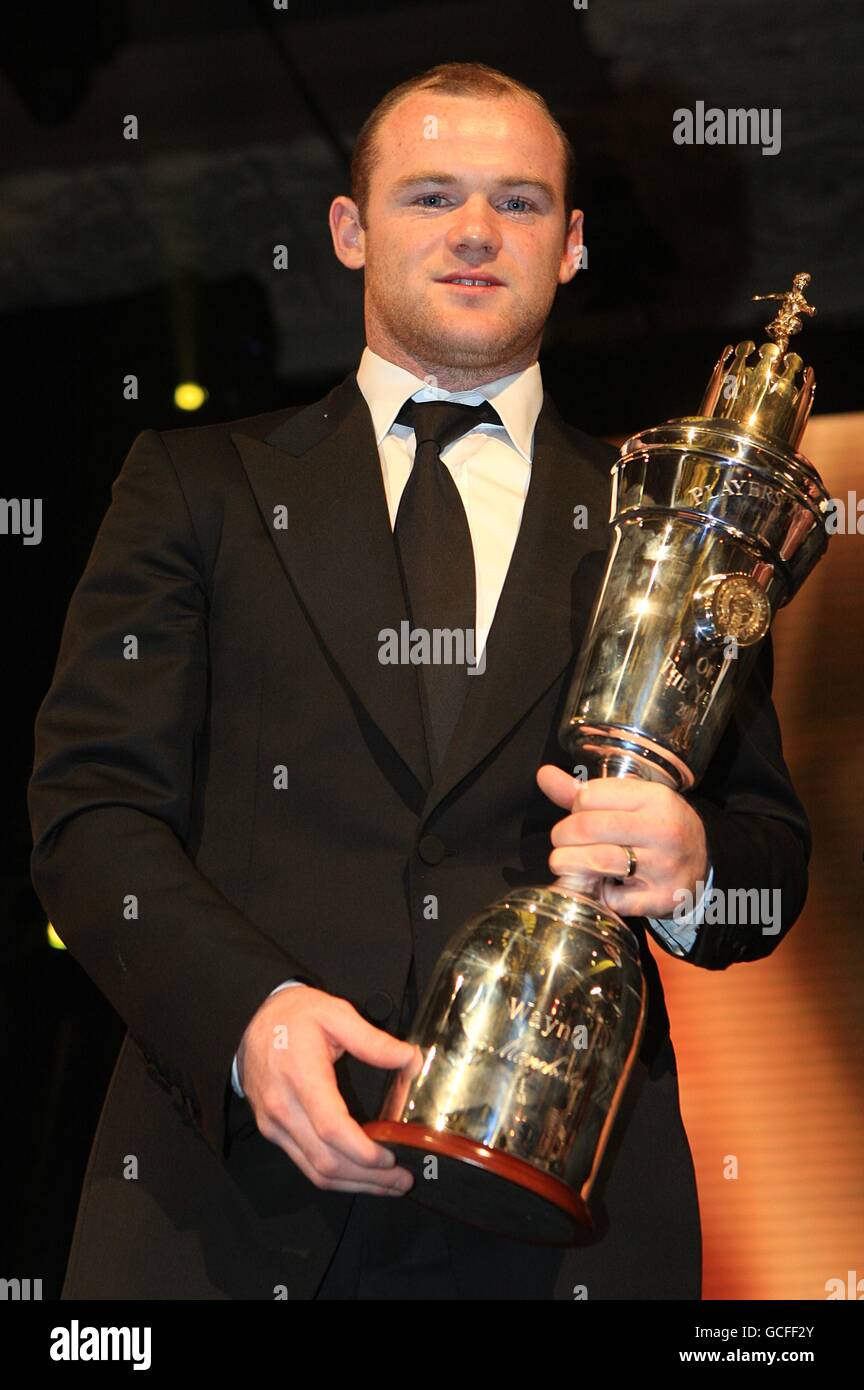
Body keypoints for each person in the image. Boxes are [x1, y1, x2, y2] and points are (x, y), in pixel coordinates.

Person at [29, 61, 809, 1300]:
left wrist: (699, 868)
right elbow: (88, 816)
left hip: (565, 1214)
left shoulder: (664, 522)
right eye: (431, 195)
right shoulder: (197, 488)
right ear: (350, 229)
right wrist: (244, 1017)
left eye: (520, 201)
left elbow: (774, 861)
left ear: (572, 246)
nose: (475, 233)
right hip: (222, 1208)